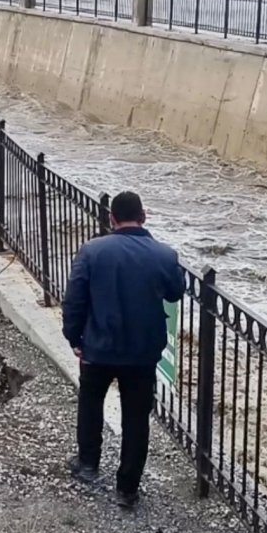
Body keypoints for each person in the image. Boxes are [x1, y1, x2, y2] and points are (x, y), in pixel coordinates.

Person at [62, 192, 185, 509]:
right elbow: (176, 291)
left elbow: (74, 299)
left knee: (91, 403)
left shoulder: (92, 251)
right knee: (136, 418)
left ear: (111, 219)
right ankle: (127, 488)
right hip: (142, 353)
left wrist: (74, 337)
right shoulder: (164, 255)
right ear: (143, 216)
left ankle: (88, 464)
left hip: (98, 347)